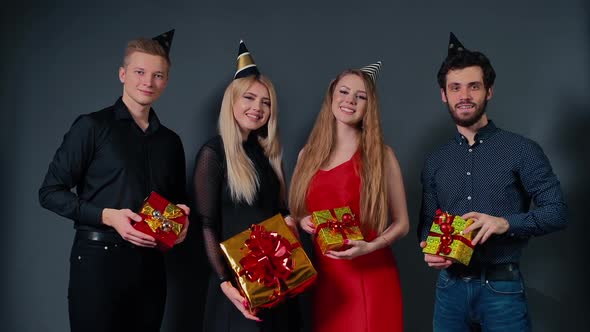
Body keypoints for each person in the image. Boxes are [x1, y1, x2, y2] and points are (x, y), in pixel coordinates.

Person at [38, 29, 189, 332]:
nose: (148, 81)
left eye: (158, 75)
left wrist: (181, 225)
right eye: (140, 72)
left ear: (166, 81)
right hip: (98, 262)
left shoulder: (171, 142)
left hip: (151, 268)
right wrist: (108, 216)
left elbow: (174, 204)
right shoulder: (91, 126)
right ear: (123, 74)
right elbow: (49, 192)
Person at [418, 32, 568, 331]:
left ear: (489, 91)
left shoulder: (522, 150)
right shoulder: (436, 160)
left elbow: (557, 212)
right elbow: (428, 223)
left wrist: (505, 223)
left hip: (502, 289)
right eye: (455, 88)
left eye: (474, 86)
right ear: (444, 95)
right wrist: (429, 247)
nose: (464, 96)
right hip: (449, 291)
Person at [288, 62, 409, 332]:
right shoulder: (307, 155)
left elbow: (402, 223)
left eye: (361, 96)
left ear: (369, 106)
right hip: (327, 280)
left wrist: (371, 246)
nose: (350, 100)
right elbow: (298, 211)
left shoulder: (381, 155)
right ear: (331, 95)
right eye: (344, 92)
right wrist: (303, 219)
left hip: (370, 273)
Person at [195, 40, 301, 332]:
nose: (257, 108)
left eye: (265, 102)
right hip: (234, 285)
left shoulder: (269, 155)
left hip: (276, 281)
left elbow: (278, 209)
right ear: (233, 101)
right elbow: (206, 224)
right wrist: (224, 282)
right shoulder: (212, 154)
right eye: (250, 99)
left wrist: (290, 221)